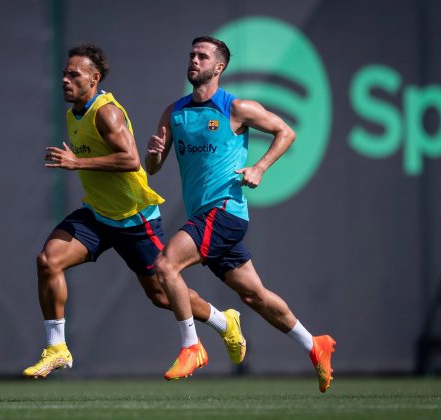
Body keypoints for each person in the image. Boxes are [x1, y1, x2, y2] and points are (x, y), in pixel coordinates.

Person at [23, 43, 246, 380]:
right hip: (99, 214)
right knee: (48, 261)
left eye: (74, 74)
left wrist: (77, 162)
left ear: (94, 78)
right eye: (64, 74)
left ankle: (223, 320)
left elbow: (130, 160)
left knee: (160, 294)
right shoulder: (74, 114)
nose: (65, 80)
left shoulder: (106, 112)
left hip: (134, 217)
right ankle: (57, 348)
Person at [145, 36, 337, 392]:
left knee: (165, 266)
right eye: (191, 54)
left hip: (225, 211)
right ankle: (315, 345)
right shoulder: (175, 112)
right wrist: (154, 155)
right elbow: (152, 167)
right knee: (255, 297)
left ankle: (192, 347)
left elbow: (286, 131)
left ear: (219, 67)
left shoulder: (236, 108)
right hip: (205, 216)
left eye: (202, 56)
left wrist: (260, 167)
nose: (194, 60)